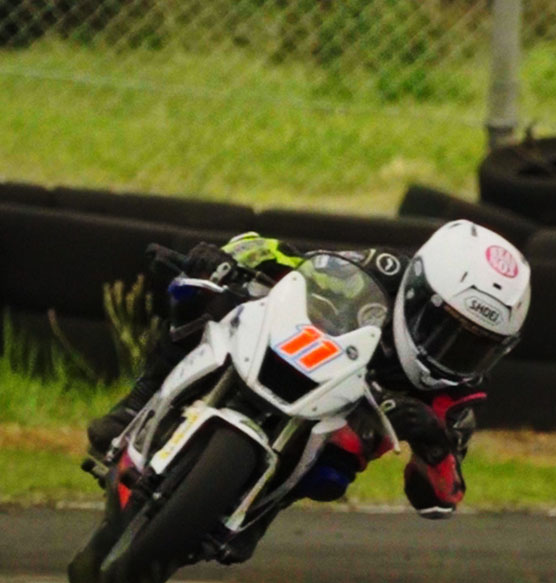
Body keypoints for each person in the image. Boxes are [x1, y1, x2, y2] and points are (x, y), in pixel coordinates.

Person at [86, 220, 531, 552]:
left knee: (330, 473)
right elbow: (289, 258)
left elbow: (442, 499)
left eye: (477, 346)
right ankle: (135, 403)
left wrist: (433, 443)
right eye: (445, 329)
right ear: (416, 291)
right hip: (299, 353)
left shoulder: (456, 397)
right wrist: (228, 258)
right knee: (198, 295)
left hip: (334, 426)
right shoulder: (378, 270)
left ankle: (255, 513)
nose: (455, 352)